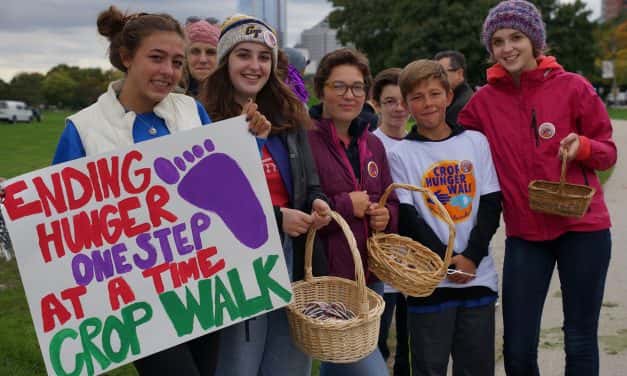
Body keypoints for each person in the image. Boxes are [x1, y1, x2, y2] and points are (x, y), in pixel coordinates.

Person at [52, 7, 270, 376]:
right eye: (156, 58)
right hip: (137, 303)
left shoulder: (190, 111)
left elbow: (226, 183)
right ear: (126, 58)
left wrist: (252, 141)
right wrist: (15, 205)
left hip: (203, 289)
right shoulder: (83, 129)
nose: (169, 72)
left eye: (176, 62)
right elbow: (58, 216)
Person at [457, 1, 617, 375]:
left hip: (583, 229)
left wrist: (585, 147)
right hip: (526, 234)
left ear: (534, 41)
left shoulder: (573, 87)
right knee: (517, 344)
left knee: (579, 338)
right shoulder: (482, 103)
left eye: (516, 37)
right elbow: (452, 143)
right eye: (498, 41)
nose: (507, 47)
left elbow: (608, 153)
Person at [200, 14, 331, 376]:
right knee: (238, 365)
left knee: (288, 363)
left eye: (263, 57)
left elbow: (311, 185)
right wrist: (277, 219)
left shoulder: (289, 116)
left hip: (292, 260)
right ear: (226, 60)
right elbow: (203, 208)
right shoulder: (201, 121)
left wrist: (318, 204)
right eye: (244, 54)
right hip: (237, 265)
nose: (254, 66)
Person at [388, 59, 501, 376]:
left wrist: (471, 258)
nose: (427, 103)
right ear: (407, 104)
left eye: (434, 94)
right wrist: (447, 262)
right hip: (429, 282)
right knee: (428, 368)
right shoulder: (401, 154)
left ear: (449, 96)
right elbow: (410, 217)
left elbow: (491, 205)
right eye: (417, 97)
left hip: (477, 277)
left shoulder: (475, 143)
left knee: (476, 369)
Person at [307, 47, 399, 376]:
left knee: (339, 366)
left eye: (358, 87)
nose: (350, 95)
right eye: (339, 86)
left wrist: (386, 215)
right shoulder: (305, 140)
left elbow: (391, 199)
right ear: (322, 91)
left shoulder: (372, 143)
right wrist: (347, 206)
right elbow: (303, 211)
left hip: (369, 276)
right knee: (367, 367)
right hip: (330, 280)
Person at [370, 67, 410, 376]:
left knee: (410, 345)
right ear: (377, 104)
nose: (398, 108)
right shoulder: (370, 145)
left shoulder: (418, 145)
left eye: (403, 101)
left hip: (414, 261)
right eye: (390, 101)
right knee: (378, 341)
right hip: (381, 261)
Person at [182, 18, 220, 97]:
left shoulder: (233, 98)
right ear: (186, 57)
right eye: (195, 52)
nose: (203, 59)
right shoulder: (169, 96)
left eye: (210, 52)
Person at [434, 50, 473, 127]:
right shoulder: (456, 99)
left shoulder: (461, 107)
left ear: (459, 73)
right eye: (434, 73)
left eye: (440, 73)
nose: (435, 78)